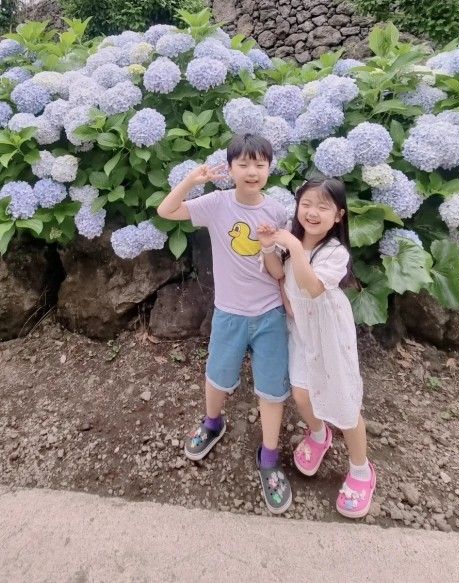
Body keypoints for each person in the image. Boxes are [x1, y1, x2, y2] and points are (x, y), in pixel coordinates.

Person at [157, 133, 293, 514]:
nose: (252, 171)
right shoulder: (216, 204)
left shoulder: (279, 212)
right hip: (229, 313)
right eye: (243, 164)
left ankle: (269, 457)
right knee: (217, 376)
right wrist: (191, 180)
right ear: (230, 168)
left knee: (271, 389)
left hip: (269, 314)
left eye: (259, 164)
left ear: (269, 167)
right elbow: (166, 211)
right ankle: (212, 423)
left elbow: (279, 272)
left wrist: (269, 246)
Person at [257, 177, 376, 519]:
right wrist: (268, 246)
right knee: (301, 394)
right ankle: (320, 434)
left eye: (323, 207)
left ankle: (360, 471)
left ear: (338, 216)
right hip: (301, 331)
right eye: (306, 204)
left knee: (343, 403)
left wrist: (293, 245)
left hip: (329, 334)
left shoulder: (335, 253)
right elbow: (278, 273)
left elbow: (311, 287)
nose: (312, 212)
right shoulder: (289, 244)